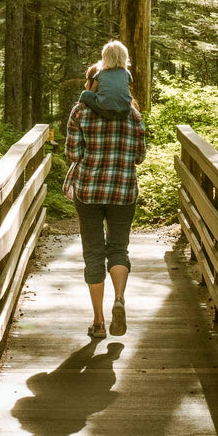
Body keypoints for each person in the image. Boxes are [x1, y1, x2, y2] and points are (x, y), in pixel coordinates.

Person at [65, 59, 146, 340]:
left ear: (94, 83)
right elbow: (139, 157)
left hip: (88, 191)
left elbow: (73, 154)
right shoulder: (133, 115)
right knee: (118, 248)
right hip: (123, 191)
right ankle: (120, 299)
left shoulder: (80, 112)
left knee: (93, 253)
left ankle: (99, 322)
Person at [78, 39, 136, 120]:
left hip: (104, 110)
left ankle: (80, 109)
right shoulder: (126, 73)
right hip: (124, 112)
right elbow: (126, 92)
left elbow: (92, 91)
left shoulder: (101, 73)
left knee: (85, 94)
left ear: (104, 58)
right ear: (125, 57)